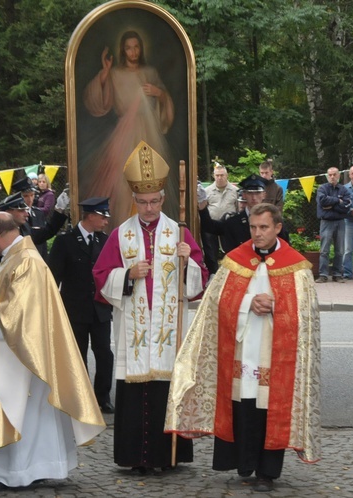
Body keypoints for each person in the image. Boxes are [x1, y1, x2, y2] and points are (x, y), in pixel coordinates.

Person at [165, 203, 321, 493]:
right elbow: (217, 303)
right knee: (244, 407)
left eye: (264, 228)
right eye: (253, 227)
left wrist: (276, 306)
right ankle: (244, 465)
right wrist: (249, 303)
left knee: (267, 410)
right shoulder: (235, 260)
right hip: (242, 348)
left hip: (276, 353)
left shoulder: (297, 266)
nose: (257, 234)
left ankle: (267, 471)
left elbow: (306, 314)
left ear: (277, 228)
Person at [0, 212, 106, 491]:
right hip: (24, 350)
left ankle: (17, 474)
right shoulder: (20, 256)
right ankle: (34, 469)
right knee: (32, 415)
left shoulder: (25, 260)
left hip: (22, 356)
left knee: (20, 412)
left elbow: (25, 311)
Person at [92, 141, 208, 473]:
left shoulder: (179, 232)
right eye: (142, 202)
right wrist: (126, 274)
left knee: (164, 389)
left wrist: (190, 263)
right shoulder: (120, 234)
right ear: (134, 200)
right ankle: (135, 458)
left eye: (154, 201)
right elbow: (100, 277)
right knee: (135, 388)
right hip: (135, 329)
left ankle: (168, 457)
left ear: (162, 198)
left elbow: (200, 280)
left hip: (169, 330)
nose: (148, 208)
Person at [82, 30, 176, 229]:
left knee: (150, 177)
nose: (132, 52)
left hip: (148, 130)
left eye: (136, 47)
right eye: (128, 48)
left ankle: (153, 224)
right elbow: (99, 102)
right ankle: (123, 226)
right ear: (122, 50)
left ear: (141, 48)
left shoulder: (150, 72)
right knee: (121, 179)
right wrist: (105, 71)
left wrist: (159, 93)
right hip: (124, 133)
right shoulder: (115, 73)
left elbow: (165, 103)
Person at [48, 196, 115, 414]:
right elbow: (53, 277)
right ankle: (80, 397)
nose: (106, 221)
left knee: (105, 354)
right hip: (75, 309)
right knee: (78, 355)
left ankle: (102, 398)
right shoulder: (65, 241)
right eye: (103, 217)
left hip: (100, 309)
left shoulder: (104, 241)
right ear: (91, 216)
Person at [0, 183, 68, 298]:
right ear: (8, 212)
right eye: (21, 210)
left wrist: (59, 210)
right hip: (6, 291)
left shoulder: (24, 228)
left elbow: (45, 233)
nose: (26, 214)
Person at [199, 174, 289, 257]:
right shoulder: (233, 221)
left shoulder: (274, 220)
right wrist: (202, 206)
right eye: (250, 193)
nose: (254, 197)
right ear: (244, 195)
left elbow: (285, 248)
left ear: (264, 195)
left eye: (257, 193)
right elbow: (209, 226)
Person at [201, 163, 239, 274]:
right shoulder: (206, 191)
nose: (219, 178)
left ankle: (229, 272)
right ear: (214, 176)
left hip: (228, 226)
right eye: (217, 175)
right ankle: (212, 273)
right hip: (211, 225)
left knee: (229, 251)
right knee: (211, 252)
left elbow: (238, 208)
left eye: (222, 175)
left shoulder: (235, 191)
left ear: (227, 175)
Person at [315, 166, 351, 283]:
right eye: (330, 175)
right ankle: (323, 275)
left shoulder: (344, 190)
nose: (332, 177)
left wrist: (331, 205)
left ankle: (337, 274)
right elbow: (322, 201)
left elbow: (346, 206)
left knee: (339, 250)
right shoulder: (322, 188)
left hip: (340, 222)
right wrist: (337, 201)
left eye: (334, 174)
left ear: (338, 176)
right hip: (326, 222)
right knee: (324, 250)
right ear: (327, 176)